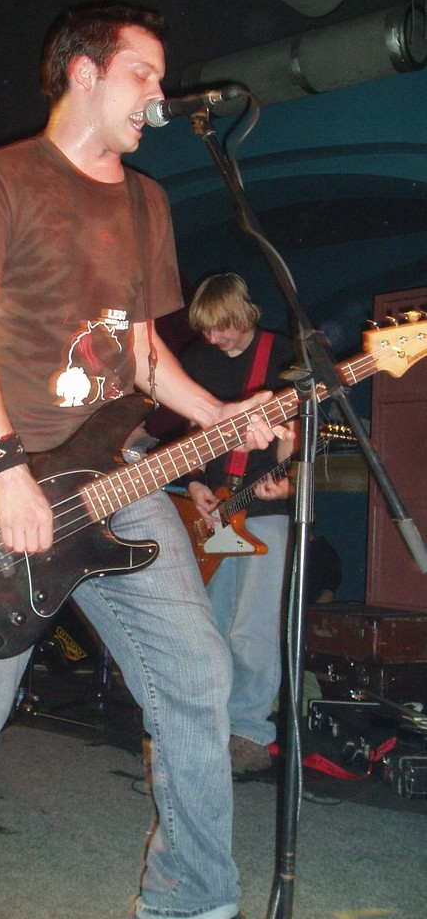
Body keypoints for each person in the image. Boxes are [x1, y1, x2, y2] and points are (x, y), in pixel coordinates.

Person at [0, 4, 292, 919]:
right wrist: (4, 471)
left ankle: (188, 897)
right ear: (83, 74)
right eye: (143, 73)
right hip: (0, 469)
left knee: (196, 672)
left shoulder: (146, 202)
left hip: (113, 471)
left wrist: (222, 415)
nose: (158, 93)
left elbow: (141, 357)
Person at [179, 273, 298, 777]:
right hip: (213, 512)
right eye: (207, 330)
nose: (215, 339)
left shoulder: (284, 355)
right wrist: (193, 483)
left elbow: (296, 432)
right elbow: (192, 429)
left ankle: (248, 732)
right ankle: (208, 727)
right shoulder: (198, 361)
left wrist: (287, 477)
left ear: (245, 314)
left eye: (223, 327)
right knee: (208, 626)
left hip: (263, 510)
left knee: (252, 628)